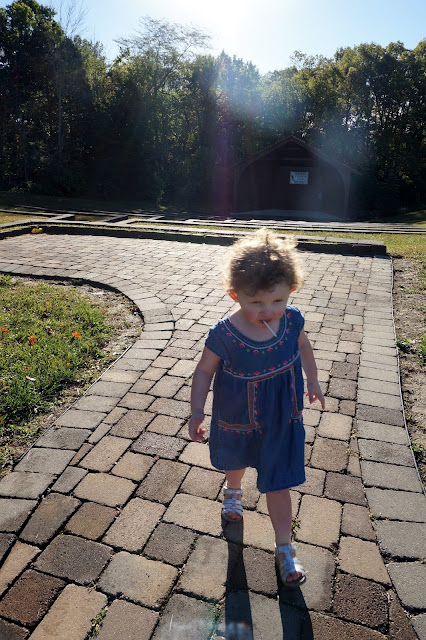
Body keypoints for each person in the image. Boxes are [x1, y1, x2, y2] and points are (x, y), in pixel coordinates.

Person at [188, 228, 325, 587]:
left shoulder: (292, 320)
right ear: (235, 295)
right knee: (235, 460)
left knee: (279, 480)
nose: (269, 310)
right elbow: (204, 371)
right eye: (256, 303)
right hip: (238, 415)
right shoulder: (224, 334)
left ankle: (284, 547)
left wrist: (312, 379)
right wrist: (197, 410)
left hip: (281, 418)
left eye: (277, 300)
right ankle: (233, 491)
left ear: (291, 290)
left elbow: (304, 347)